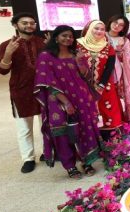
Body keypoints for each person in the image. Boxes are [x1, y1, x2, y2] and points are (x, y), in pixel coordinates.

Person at [35, 25, 102, 179]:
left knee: (84, 128)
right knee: (63, 132)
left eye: (71, 36)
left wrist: (80, 61)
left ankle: (87, 161)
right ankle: (70, 166)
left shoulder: (75, 54)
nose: (68, 39)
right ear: (56, 37)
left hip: (81, 97)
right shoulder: (46, 56)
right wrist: (65, 102)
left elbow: (86, 75)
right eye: (64, 35)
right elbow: (46, 81)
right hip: (58, 99)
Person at [0, 13, 46, 173]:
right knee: (24, 127)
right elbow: (2, 71)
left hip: (42, 88)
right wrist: (9, 53)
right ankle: (28, 158)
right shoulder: (6, 45)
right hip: (21, 90)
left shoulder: (41, 42)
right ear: (16, 25)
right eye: (25, 23)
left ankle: (47, 152)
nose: (29, 25)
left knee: (45, 123)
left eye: (32, 23)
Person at [76, 20, 123, 132]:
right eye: (96, 28)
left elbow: (109, 67)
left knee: (109, 111)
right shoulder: (77, 44)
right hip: (82, 84)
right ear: (89, 29)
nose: (99, 31)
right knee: (85, 111)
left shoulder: (108, 46)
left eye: (102, 29)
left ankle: (110, 141)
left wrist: (101, 84)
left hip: (104, 84)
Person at [106, 15, 130, 121]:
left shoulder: (124, 40)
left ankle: (124, 120)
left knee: (121, 97)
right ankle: (111, 121)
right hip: (105, 74)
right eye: (115, 22)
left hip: (121, 75)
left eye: (121, 25)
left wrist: (119, 54)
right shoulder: (102, 37)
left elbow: (128, 59)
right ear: (110, 22)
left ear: (124, 28)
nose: (117, 26)